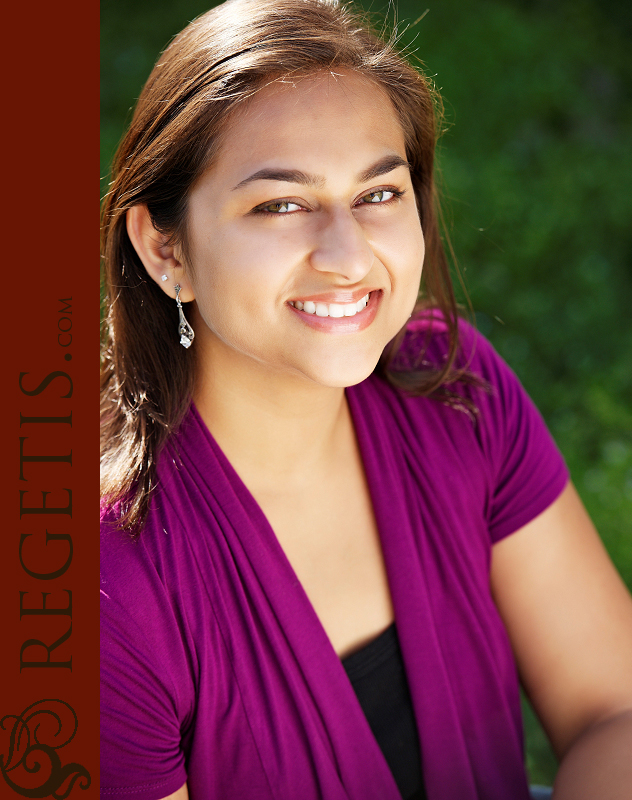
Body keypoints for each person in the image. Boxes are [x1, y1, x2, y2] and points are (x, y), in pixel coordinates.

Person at [99, 1, 632, 798]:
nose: (349, 256)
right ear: (164, 249)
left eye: (378, 194)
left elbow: (610, 709)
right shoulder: (104, 586)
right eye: (281, 204)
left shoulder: (455, 387)